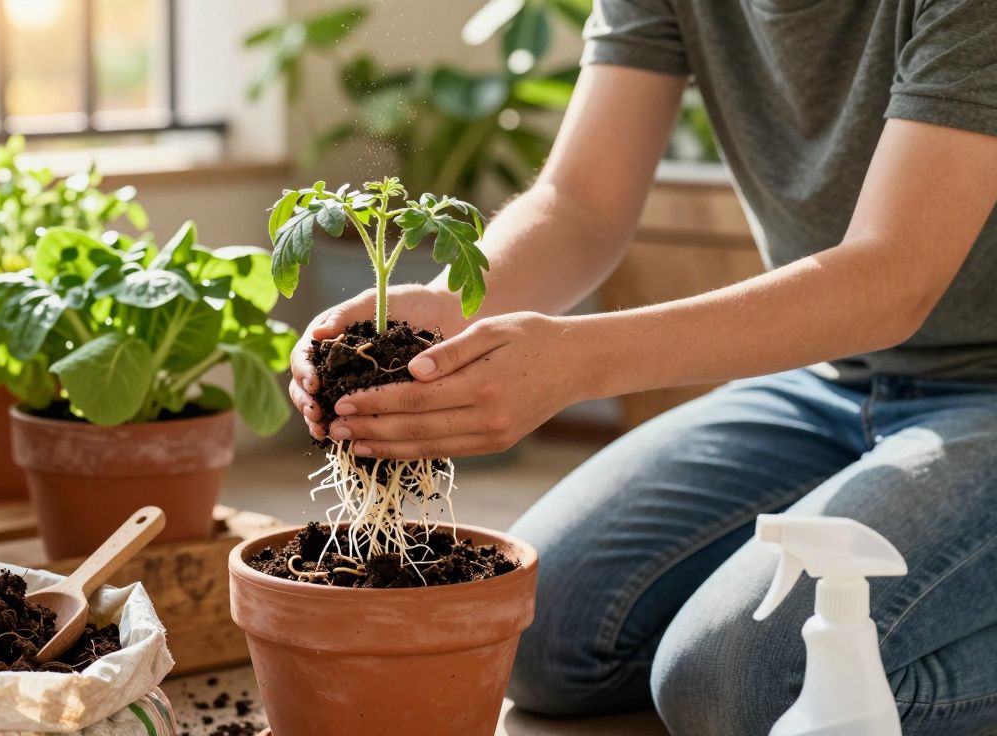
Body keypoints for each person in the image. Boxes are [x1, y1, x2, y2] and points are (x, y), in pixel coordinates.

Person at [286, 1, 997, 733]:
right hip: (826, 380)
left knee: (738, 685)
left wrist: (577, 361)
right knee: (533, 634)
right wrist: (447, 310)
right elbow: (581, 203)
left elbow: (892, 277)